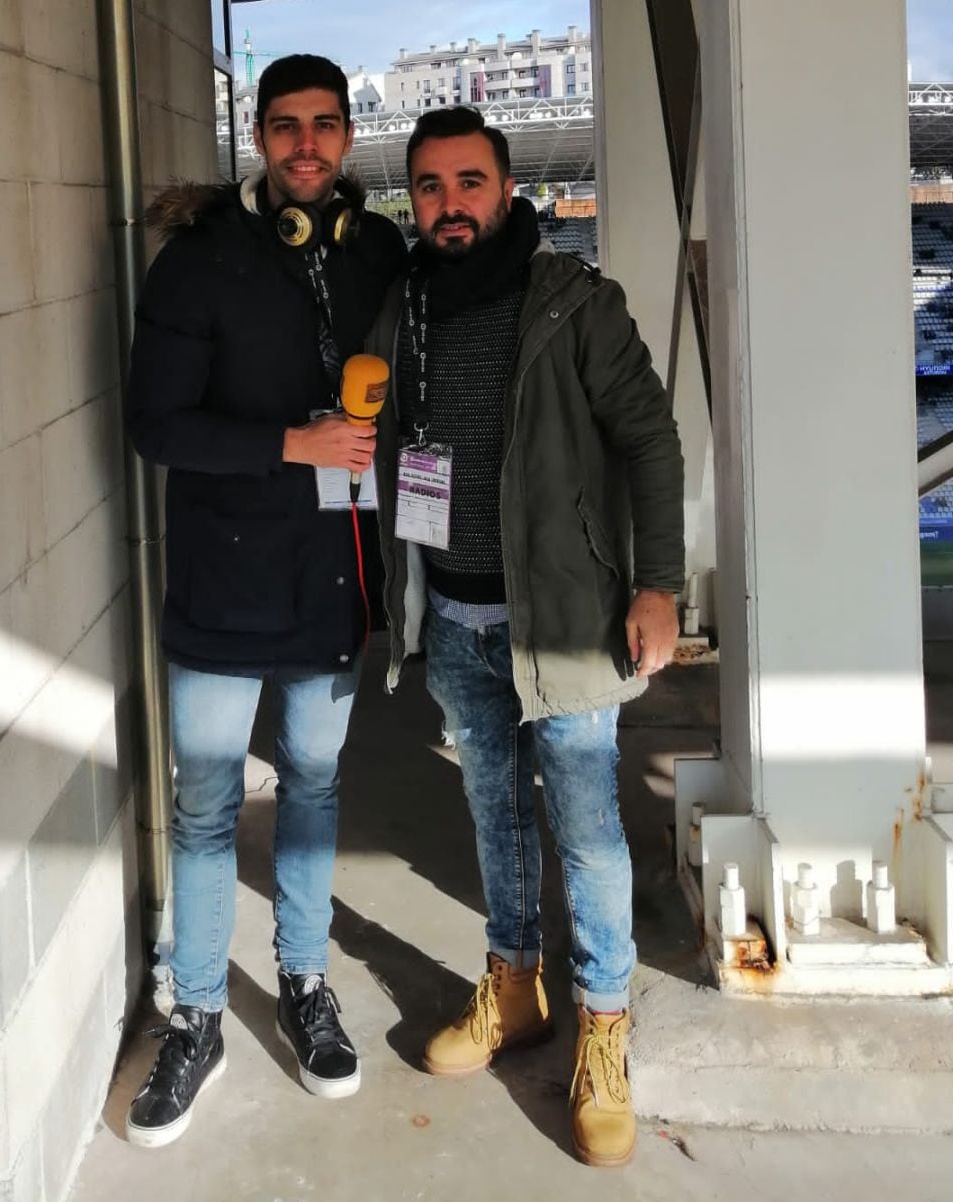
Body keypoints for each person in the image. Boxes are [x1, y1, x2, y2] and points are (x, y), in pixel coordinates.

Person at [368, 107, 684, 1168]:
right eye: (429, 187)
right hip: (453, 612)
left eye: (468, 183)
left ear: (506, 191)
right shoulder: (405, 306)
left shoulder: (574, 305)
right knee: (495, 810)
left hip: (565, 621)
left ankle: (603, 1026)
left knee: (589, 823)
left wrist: (660, 586)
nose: (448, 204)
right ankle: (514, 982)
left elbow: (650, 438)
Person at [124, 54, 406, 1148]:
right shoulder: (198, 260)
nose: (305, 145)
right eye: (284, 125)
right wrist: (295, 443)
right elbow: (158, 426)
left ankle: (303, 982)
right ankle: (198, 1011)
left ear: (345, 136)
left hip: (331, 578)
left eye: (324, 125)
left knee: (316, 785)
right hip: (218, 585)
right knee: (205, 802)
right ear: (256, 134)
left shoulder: (376, 251)